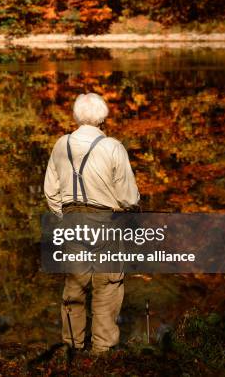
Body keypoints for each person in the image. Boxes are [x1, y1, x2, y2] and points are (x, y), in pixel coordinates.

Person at [43, 93, 140, 354]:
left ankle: (72, 347)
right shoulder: (113, 147)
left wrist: (65, 216)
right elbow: (128, 197)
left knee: (74, 286)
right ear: (103, 117)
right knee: (107, 285)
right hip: (105, 222)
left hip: (72, 222)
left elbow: (51, 192)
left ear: (76, 116)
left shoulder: (61, 144)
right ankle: (102, 351)